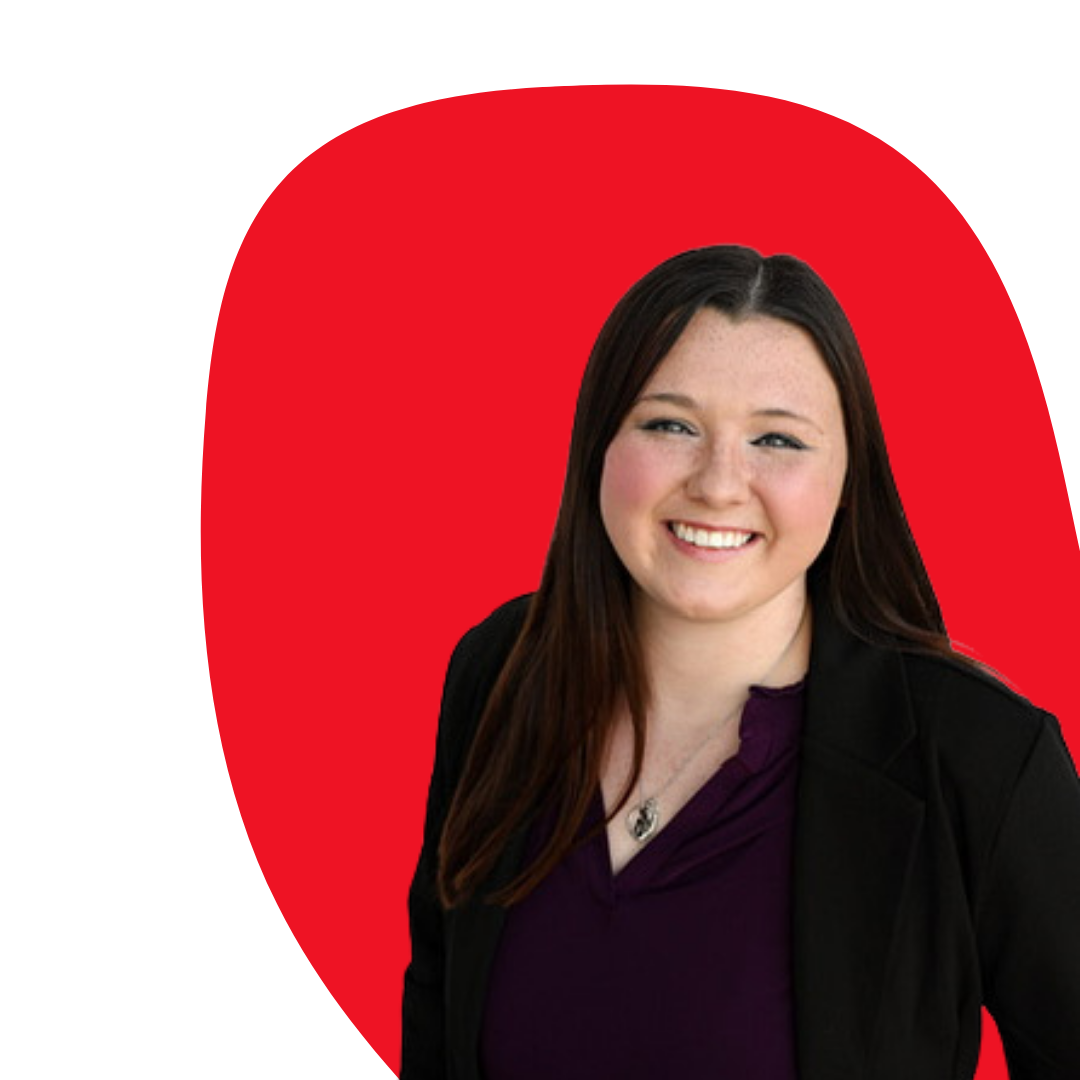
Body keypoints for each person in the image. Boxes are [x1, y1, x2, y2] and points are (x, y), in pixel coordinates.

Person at [400, 245, 1080, 1079]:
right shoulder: (501, 673)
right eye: (670, 425)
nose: (720, 484)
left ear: (846, 481)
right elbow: (435, 1009)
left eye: (777, 439)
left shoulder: (978, 759)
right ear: (598, 446)